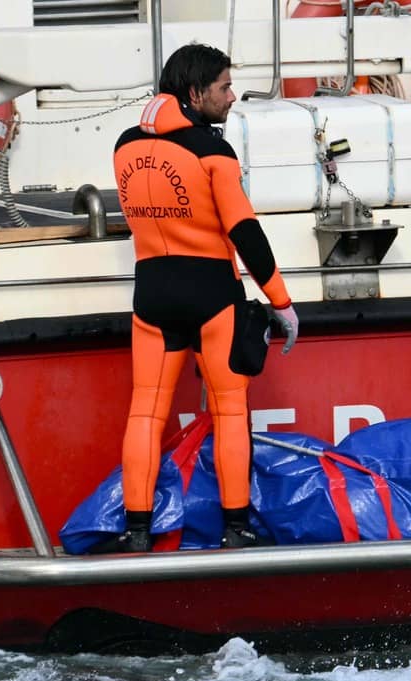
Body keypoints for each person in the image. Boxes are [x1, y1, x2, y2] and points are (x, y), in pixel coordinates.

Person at [110, 44, 298, 552]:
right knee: (230, 413)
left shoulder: (124, 147)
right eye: (224, 87)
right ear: (195, 93)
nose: (232, 97)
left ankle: (136, 532)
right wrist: (281, 302)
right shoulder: (213, 152)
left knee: (145, 414)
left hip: (152, 296)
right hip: (213, 296)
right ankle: (236, 529)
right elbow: (245, 231)